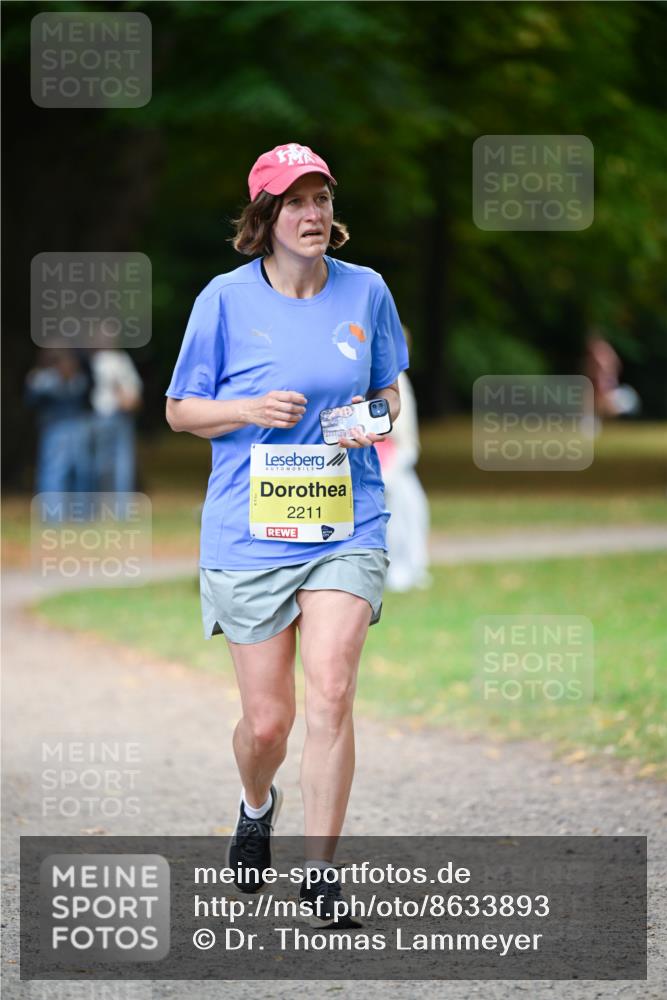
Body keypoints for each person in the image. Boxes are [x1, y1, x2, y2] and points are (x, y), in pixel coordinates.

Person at [165, 142, 408, 927]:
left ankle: (320, 875)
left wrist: (367, 420)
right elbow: (178, 410)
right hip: (249, 530)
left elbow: (388, 393)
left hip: (347, 519)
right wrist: (247, 410)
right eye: (296, 201)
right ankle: (254, 801)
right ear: (265, 217)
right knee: (268, 722)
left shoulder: (365, 291)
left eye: (322, 199)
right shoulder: (223, 301)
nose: (313, 214)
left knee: (332, 689)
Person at [374, 329, 431, 591]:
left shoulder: (399, 379)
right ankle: (395, 570)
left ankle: (411, 567)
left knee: (414, 511)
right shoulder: (379, 379)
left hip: (399, 457)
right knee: (394, 515)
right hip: (384, 459)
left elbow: (407, 427)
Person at [25, 348, 92, 514]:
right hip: (54, 428)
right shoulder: (42, 379)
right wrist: (56, 383)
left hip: (77, 425)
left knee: (82, 470)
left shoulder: (78, 378)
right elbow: (31, 400)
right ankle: (52, 515)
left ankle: (81, 514)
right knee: (54, 472)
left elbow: (85, 395)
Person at [88, 334, 143, 502]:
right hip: (111, 415)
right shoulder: (119, 359)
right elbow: (133, 387)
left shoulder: (97, 360)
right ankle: (119, 504)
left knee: (108, 461)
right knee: (119, 461)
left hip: (108, 414)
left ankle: (108, 502)